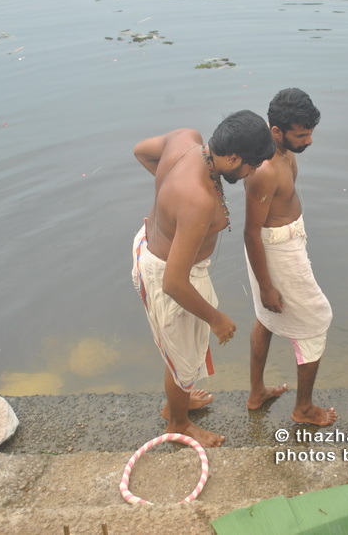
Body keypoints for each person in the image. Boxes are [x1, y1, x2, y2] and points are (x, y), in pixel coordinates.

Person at [132, 110, 275, 447]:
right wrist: (216, 319)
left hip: (150, 246)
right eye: (252, 165)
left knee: (180, 350)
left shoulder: (187, 138)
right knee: (182, 357)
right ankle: (178, 422)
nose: (254, 173)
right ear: (233, 158)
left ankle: (178, 400)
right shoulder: (197, 200)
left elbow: (141, 151)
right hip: (169, 275)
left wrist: (169, 195)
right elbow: (173, 283)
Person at [243, 88, 337, 426]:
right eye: (302, 135)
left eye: (310, 133)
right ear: (277, 131)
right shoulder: (265, 170)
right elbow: (251, 232)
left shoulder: (286, 152)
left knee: (266, 320)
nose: (309, 141)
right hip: (275, 250)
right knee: (315, 320)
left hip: (289, 242)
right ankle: (304, 408)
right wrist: (266, 286)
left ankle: (257, 393)